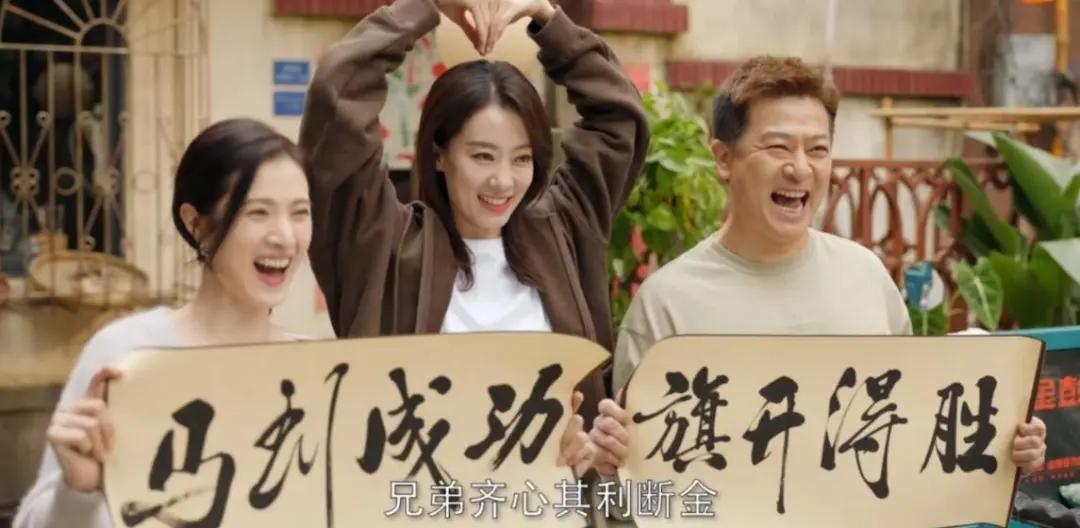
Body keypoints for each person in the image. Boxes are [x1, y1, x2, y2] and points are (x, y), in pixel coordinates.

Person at [587, 56, 1046, 481]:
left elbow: (911, 434)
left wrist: (1006, 447)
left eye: (818, 149)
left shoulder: (866, 277)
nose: (800, 168)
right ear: (724, 159)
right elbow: (636, 482)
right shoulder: (666, 303)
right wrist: (611, 464)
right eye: (778, 147)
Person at [300, 0, 648, 472]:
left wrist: (548, 20)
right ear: (439, 154)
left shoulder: (562, 229)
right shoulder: (383, 247)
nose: (503, 181)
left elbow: (620, 120)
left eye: (521, 159)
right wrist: (424, 7)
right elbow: (338, 94)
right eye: (482, 156)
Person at [14, 118, 314, 528]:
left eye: (300, 213)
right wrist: (79, 492)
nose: (285, 237)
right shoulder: (125, 353)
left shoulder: (320, 371)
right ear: (195, 223)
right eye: (257, 212)